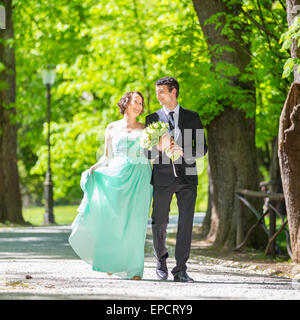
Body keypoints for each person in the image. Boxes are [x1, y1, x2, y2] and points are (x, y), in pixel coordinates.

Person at [69, 92, 153, 280]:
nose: (139, 106)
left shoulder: (147, 127)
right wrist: (95, 168)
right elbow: (107, 156)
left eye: (141, 103)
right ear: (125, 103)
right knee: (114, 219)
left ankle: (134, 269)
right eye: (135, 102)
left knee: (136, 222)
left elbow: (154, 154)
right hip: (117, 174)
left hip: (140, 175)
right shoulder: (112, 127)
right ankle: (111, 262)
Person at [145, 77, 208, 283]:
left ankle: (180, 269)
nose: (158, 95)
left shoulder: (192, 117)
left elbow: (202, 148)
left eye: (162, 91)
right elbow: (147, 153)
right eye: (156, 92)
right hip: (162, 177)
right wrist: (158, 148)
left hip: (187, 177)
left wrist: (184, 151)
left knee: (186, 223)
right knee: (159, 221)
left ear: (174, 92)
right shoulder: (152, 119)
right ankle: (161, 261)